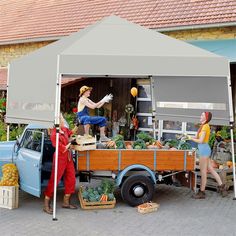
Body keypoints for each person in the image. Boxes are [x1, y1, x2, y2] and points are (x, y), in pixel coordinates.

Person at [188, 112, 227, 199]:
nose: (200, 116)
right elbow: (197, 138)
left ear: (205, 118)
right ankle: (222, 187)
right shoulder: (202, 126)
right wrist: (188, 136)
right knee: (211, 169)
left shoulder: (205, 126)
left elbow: (201, 141)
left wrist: (191, 139)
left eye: (202, 115)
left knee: (203, 171)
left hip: (204, 151)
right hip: (204, 150)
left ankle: (202, 192)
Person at [43, 114, 77, 214]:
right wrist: (71, 143)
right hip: (60, 158)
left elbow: (71, 133)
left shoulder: (64, 130)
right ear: (57, 121)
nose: (63, 120)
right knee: (54, 180)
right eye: (62, 119)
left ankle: (66, 202)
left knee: (71, 179)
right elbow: (61, 147)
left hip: (68, 157)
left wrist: (77, 124)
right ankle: (46, 204)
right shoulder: (54, 134)